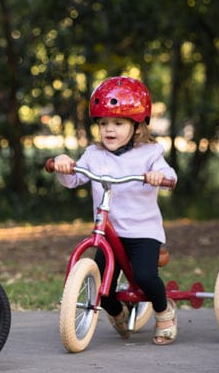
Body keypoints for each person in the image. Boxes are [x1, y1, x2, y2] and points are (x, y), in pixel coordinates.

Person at [51, 76, 178, 345]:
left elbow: (170, 176)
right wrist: (64, 165)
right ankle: (118, 312)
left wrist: (158, 176)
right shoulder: (94, 155)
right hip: (109, 234)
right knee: (101, 286)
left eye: (118, 123)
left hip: (143, 232)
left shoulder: (150, 153)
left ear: (137, 124)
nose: (109, 130)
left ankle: (164, 311)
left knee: (144, 276)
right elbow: (74, 179)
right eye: (103, 123)